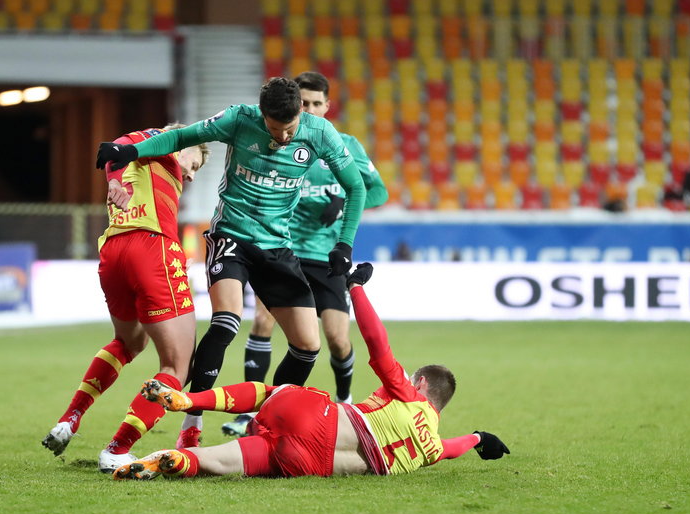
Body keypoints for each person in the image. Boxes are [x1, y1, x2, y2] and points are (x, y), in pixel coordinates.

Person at [95, 77, 367, 466]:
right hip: (232, 237)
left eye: (291, 128)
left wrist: (345, 243)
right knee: (227, 322)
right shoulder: (239, 119)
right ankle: (192, 420)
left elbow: (356, 187)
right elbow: (180, 137)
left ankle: (266, 421)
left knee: (308, 346)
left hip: (277, 248)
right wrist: (130, 151)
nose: (285, 136)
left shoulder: (319, 132)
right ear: (262, 116)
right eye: (276, 129)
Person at [112, 263, 510, 481]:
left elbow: (378, 343)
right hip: (304, 463)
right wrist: (478, 437)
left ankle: (191, 400)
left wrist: (355, 289)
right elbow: (451, 449)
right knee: (222, 461)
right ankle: (183, 461)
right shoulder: (431, 449)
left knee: (275, 391)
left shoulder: (407, 393)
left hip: (314, 419)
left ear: (421, 383)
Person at [224, 72, 388, 437]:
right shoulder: (278, 141)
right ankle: (250, 414)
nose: (310, 109)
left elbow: (377, 193)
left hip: (327, 258)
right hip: (284, 250)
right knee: (261, 323)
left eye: (317, 103)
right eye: (305, 103)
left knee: (336, 338)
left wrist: (341, 208)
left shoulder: (343, 145)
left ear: (327, 106)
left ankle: (345, 401)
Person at [42, 123, 209, 473]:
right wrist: (115, 180)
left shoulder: (143, 164)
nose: (191, 176)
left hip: (114, 251)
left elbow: (115, 154)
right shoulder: (162, 144)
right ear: (181, 144)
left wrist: (116, 179)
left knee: (128, 342)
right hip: (151, 248)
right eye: (193, 164)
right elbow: (114, 146)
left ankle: (70, 418)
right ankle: (118, 449)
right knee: (178, 365)